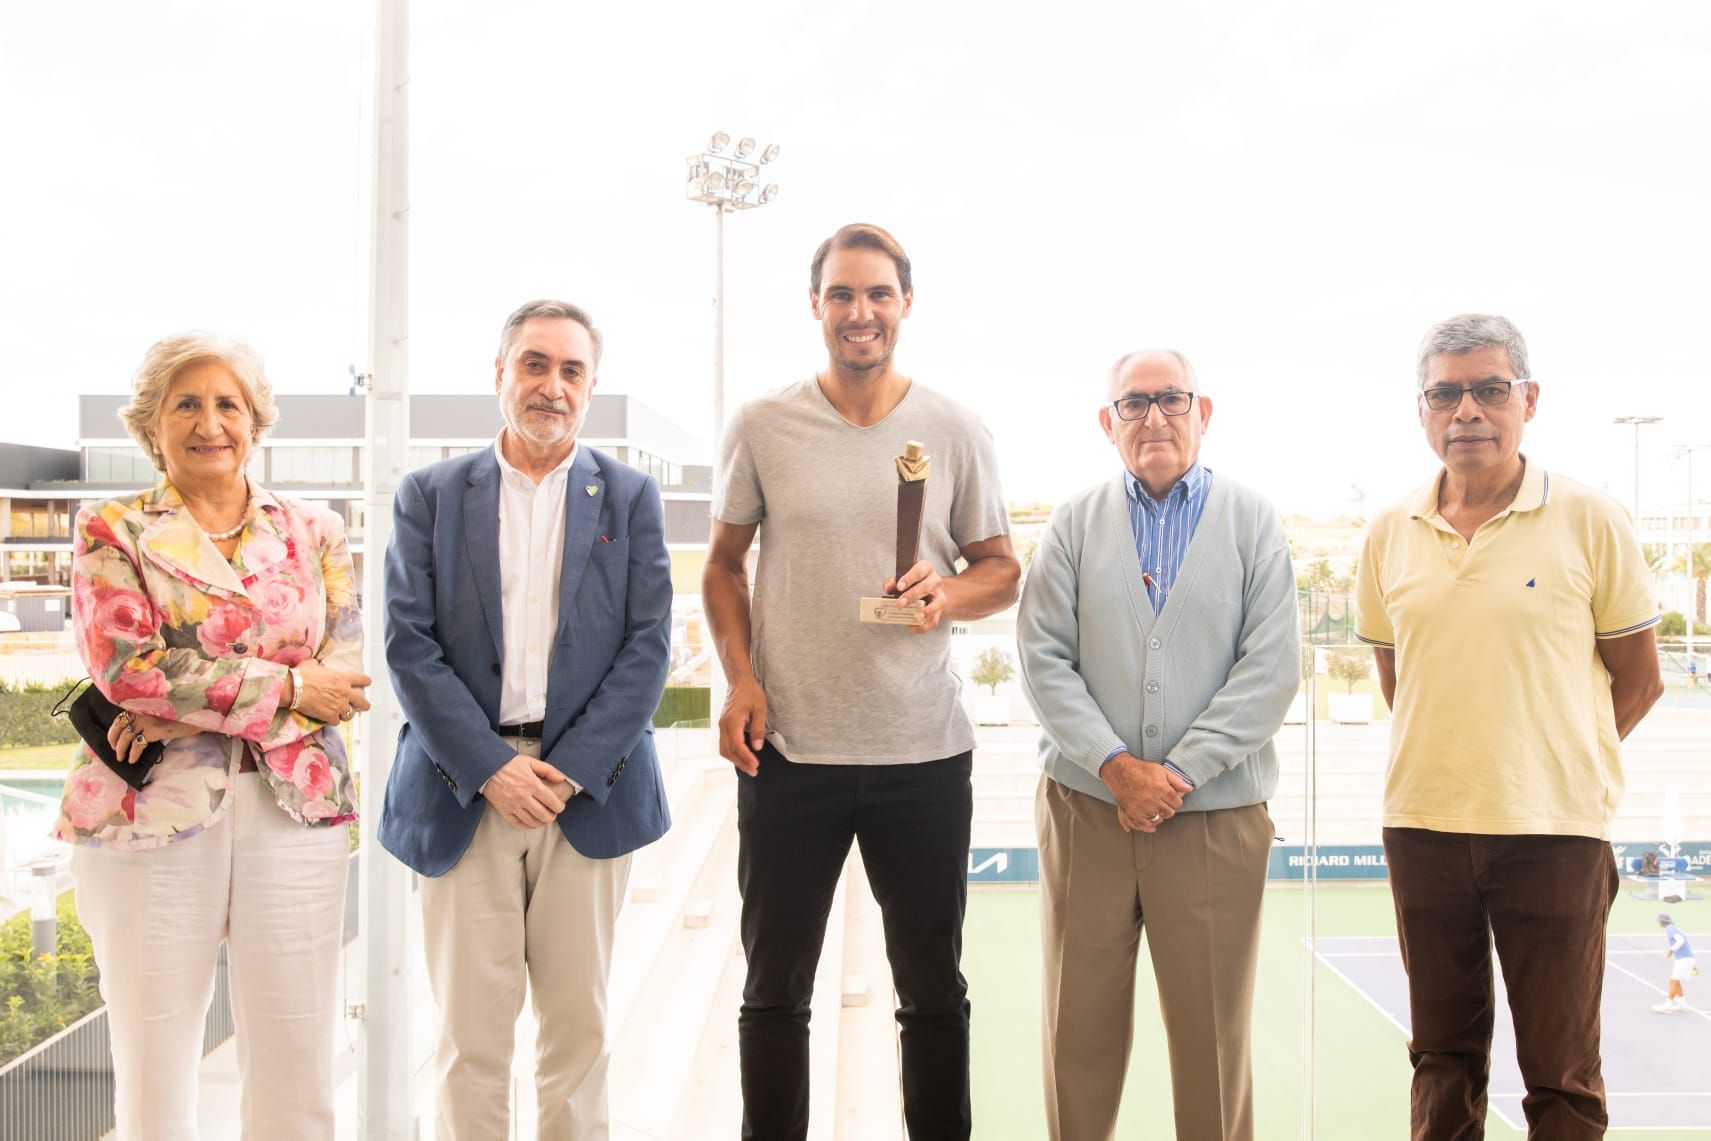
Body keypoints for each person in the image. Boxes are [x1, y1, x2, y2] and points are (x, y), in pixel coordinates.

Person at [703, 223, 1019, 1140]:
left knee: (931, 993)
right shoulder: (763, 425)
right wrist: (739, 678)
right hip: (788, 749)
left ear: (905, 304)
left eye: (878, 293)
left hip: (921, 755)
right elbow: (722, 566)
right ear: (815, 305)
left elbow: (1000, 568)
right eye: (841, 294)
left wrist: (946, 591)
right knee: (773, 992)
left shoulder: (955, 429)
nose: (859, 311)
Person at [1355, 313, 1664, 1139]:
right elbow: (1399, 676)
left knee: (1561, 1078)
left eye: (1488, 389)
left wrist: (1555, 754)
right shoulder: (1388, 531)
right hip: (1423, 826)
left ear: (1526, 399)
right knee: (1441, 1059)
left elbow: (1639, 678)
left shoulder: (1591, 518)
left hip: (1554, 832)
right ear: (1420, 410)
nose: (1466, 411)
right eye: (1445, 393)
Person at [58, 332, 371, 1138]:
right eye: (185, 404)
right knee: (155, 1078)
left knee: (300, 1070)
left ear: (255, 419)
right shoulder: (111, 528)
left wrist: (183, 692)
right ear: (151, 426)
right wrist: (290, 684)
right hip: (147, 816)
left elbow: (347, 672)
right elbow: (130, 669)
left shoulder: (316, 531)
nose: (209, 422)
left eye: (227, 402)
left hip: (294, 813)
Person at [379, 299, 672, 1139]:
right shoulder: (429, 495)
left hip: (587, 791)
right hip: (461, 790)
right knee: (471, 1040)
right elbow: (409, 644)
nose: (552, 385)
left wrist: (566, 768)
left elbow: (648, 646)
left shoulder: (629, 495)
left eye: (571, 370)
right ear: (499, 374)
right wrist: (491, 767)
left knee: (576, 1036)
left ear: (590, 386)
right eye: (534, 364)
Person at [1017, 350, 1300, 1141]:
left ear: (1202, 412)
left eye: (1169, 399)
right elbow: (1041, 657)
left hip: (1214, 819)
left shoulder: (1252, 521)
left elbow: (1271, 669)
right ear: (1107, 423)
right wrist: (1114, 766)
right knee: (1077, 1031)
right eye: (1133, 403)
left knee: (1213, 1041)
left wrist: (1172, 773)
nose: (1153, 417)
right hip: (1085, 813)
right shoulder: (1071, 524)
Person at [1652, 913, 1697, 1014]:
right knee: (1674, 982)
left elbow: (1680, 941)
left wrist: (1670, 950)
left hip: (1684, 959)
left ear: (1663, 921)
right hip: (1685, 959)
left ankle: (1667, 1006)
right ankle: (1683, 1005)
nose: (1658, 922)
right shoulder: (1673, 928)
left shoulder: (1670, 929)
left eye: (1659, 920)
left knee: (1674, 982)